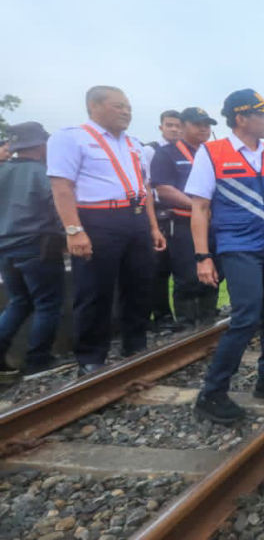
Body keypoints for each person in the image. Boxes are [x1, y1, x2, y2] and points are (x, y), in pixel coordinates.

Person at [185, 89, 264, 423]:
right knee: (246, 316)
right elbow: (200, 207)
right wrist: (202, 256)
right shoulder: (212, 153)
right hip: (238, 246)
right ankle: (212, 393)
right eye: (262, 114)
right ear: (241, 118)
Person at [47, 86, 167, 376]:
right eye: (118, 106)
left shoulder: (134, 144)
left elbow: (145, 188)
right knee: (94, 290)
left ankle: (134, 344)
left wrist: (152, 226)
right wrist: (74, 231)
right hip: (97, 219)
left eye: (128, 106)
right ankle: (91, 355)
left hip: (136, 217)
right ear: (94, 106)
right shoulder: (72, 138)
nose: (126, 111)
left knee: (139, 284)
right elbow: (62, 187)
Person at [0, 122, 69, 377]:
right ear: (42, 146)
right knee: (48, 304)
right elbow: (60, 210)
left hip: (5, 249)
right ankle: (38, 360)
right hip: (37, 247)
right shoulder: (44, 174)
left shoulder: (2, 170)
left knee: (18, 302)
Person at [150, 107, 220, 329]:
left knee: (216, 271)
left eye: (207, 124)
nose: (204, 129)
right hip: (183, 223)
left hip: (214, 223)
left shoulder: (213, 152)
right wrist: (198, 207)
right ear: (183, 126)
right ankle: (187, 325)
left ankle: (208, 320)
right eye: (197, 124)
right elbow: (164, 189)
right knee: (188, 275)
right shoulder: (167, 153)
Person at [144, 110, 182, 333]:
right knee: (160, 268)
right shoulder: (151, 151)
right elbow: (147, 186)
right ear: (161, 127)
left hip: (183, 212)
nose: (174, 130)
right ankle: (161, 314)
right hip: (160, 211)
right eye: (170, 125)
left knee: (181, 266)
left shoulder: (186, 151)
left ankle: (179, 314)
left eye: (178, 125)